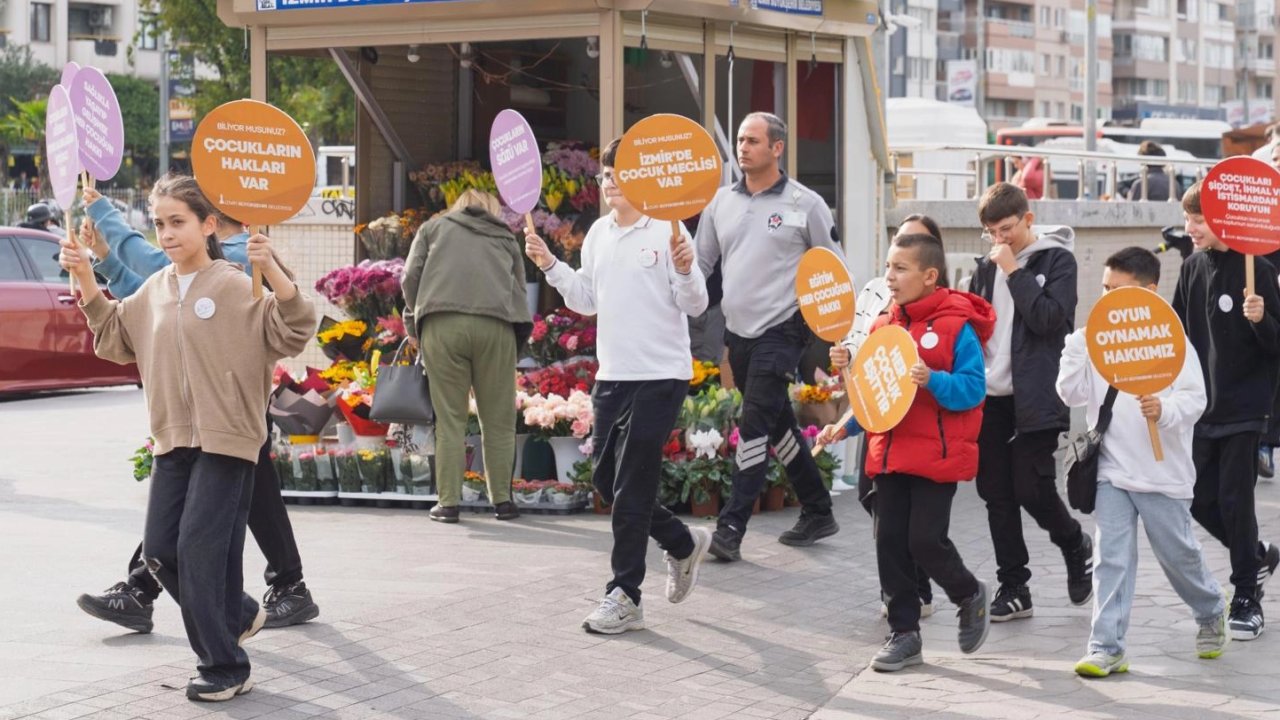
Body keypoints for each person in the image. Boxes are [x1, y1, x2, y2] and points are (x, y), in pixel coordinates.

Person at [58, 173, 316, 701]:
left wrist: (274, 273)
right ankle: (240, 613)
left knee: (200, 552)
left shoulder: (239, 283)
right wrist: (85, 276)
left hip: (229, 443)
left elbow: (294, 327)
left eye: (178, 222)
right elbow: (112, 336)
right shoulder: (155, 290)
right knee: (160, 553)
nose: (167, 233)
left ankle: (224, 667)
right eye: (159, 224)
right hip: (172, 442)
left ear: (209, 224)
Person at [525, 138, 713, 634]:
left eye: (618, 173)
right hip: (613, 376)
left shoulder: (669, 232)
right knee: (607, 483)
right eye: (605, 174)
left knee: (631, 485)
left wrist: (688, 268)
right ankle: (680, 542)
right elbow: (587, 299)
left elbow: (695, 304)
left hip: (661, 376)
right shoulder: (598, 234)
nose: (608, 182)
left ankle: (625, 594)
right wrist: (549, 264)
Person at [819, 232, 995, 672]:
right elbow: (876, 396)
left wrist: (931, 379)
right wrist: (844, 427)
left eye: (900, 268)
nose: (889, 277)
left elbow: (973, 391)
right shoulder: (883, 327)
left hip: (936, 457)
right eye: (887, 267)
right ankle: (903, 633)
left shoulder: (958, 326)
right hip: (888, 454)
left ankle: (969, 593)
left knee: (924, 541)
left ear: (929, 275)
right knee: (889, 542)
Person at [1057, 246, 1228, 678]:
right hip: (1112, 470)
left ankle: (1210, 608)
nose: (1106, 299)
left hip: (1162, 472)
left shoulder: (1174, 343)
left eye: (1118, 290)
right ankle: (1106, 646)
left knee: (1178, 554)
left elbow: (1196, 399)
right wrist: (1076, 347)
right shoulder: (1094, 339)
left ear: (1149, 292)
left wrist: (1164, 410)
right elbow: (1070, 394)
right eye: (1104, 289)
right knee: (1113, 556)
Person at [694, 111, 841, 561]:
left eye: (753, 140)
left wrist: (835, 331)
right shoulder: (720, 203)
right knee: (777, 423)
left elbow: (833, 268)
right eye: (739, 139)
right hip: (738, 333)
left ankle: (731, 527)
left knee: (754, 424)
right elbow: (700, 268)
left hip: (783, 330)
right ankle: (818, 509)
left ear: (777, 148)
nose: (743, 148)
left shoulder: (805, 203)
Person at [967, 182, 1093, 621]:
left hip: (1037, 396)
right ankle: (1014, 586)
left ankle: (1075, 543)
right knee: (995, 494)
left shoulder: (1058, 260)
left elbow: (1048, 321)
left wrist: (1014, 272)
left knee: (1032, 488)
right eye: (992, 233)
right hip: (990, 397)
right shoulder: (984, 269)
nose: (1000, 240)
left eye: (1007, 229)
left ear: (1028, 220)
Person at [1173, 181, 1280, 640]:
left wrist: (1262, 319)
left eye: (1199, 220)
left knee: (1236, 502)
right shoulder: (1192, 267)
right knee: (1197, 499)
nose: (1190, 228)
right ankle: (1256, 557)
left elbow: (1276, 344)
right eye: (1188, 219)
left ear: (1224, 220)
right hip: (1202, 406)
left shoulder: (1259, 267)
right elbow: (1176, 336)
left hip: (1245, 404)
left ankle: (1246, 597)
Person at [836, 214, 943, 619]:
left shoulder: (942, 302)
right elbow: (858, 346)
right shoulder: (872, 292)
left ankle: (911, 595)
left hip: (917, 420)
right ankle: (907, 588)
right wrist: (844, 357)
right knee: (872, 497)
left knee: (909, 518)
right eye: (900, 241)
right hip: (875, 412)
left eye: (915, 243)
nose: (895, 270)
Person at [402, 189, 532, 523]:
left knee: (449, 418)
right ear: (492, 210)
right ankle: (503, 501)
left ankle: (448, 504)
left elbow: (409, 277)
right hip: (496, 327)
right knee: (499, 420)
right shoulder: (505, 236)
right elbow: (519, 288)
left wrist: (414, 319)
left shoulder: (433, 229)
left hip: (442, 325)